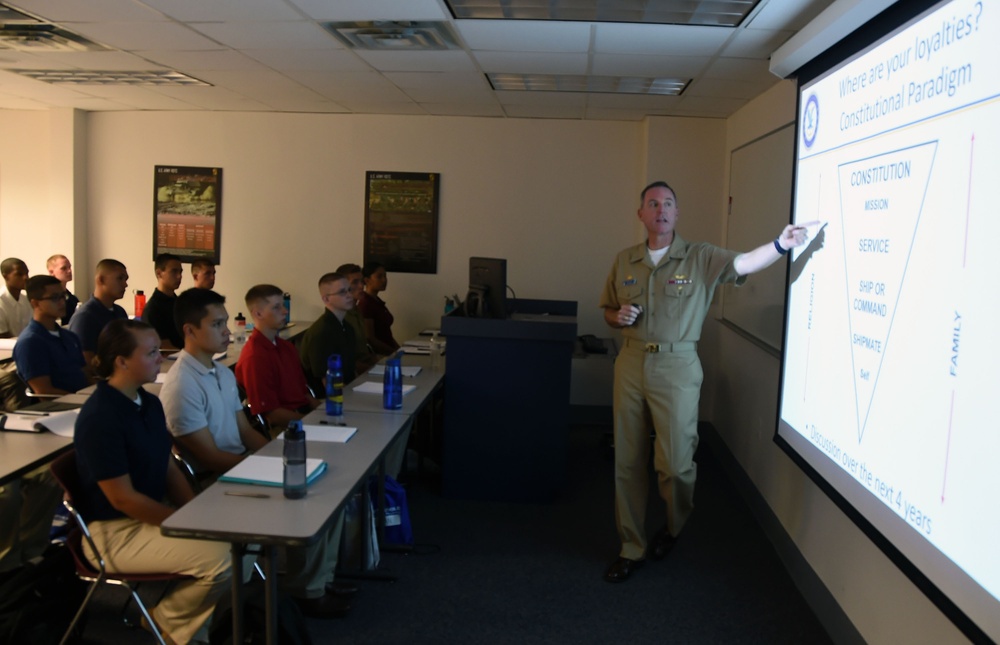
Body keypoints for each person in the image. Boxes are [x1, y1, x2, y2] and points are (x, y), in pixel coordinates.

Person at [600, 181, 812, 583]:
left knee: (676, 466)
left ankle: (675, 525)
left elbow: (746, 263)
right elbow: (608, 310)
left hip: (678, 367)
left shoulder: (700, 257)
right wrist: (618, 316)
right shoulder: (624, 260)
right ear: (641, 214)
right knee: (627, 462)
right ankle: (631, 546)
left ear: (677, 214)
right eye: (652, 204)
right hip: (630, 364)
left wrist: (781, 245)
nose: (660, 209)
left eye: (668, 204)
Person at [161, 288, 353, 619]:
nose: (227, 331)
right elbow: (207, 457)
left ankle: (315, 580)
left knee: (326, 487)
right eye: (217, 324)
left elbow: (246, 431)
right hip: (215, 481)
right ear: (190, 331)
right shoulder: (182, 385)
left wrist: (279, 458)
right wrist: (268, 469)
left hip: (238, 465)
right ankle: (308, 590)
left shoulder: (220, 371)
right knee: (311, 496)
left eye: (225, 322)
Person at [74, 319, 238, 644]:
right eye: (151, 354)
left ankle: (185, 628)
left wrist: (196, 513)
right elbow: (123, 499)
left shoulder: (148, 402)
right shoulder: (101, 417)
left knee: (247, 544)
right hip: (114, 532)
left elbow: (168, 469)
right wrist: (186, 523)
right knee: (225, 559)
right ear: (121, 361)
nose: (160, 360)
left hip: (150, 515)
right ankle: (168, 621)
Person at [235, 284, 321, 432]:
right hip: (284, 426)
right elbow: (272, 415)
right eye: (276, 307)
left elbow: (304, 393)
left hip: (303, 414)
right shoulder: (255, 357)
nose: (285, 311)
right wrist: (314, 424)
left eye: (283, 305)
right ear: (258, 314)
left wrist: (324, 413)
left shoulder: (286, 347)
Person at [13, 275, 90, 395]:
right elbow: (44, 392)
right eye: (55, 298)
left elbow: (85, 375)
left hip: (83, 400)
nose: (62, 302)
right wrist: (85, 399)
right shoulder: (30, 342)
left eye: (63, 296)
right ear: (36, 304)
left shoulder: (69, 336)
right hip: (60, 407)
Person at [299, 273, 358, 396]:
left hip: (347, 389)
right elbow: (327, 381)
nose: (349, 295)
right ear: (326, 299)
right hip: (327, 399)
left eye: (349, 290)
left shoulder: (347, 327)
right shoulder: (321, 333)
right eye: (342, 292)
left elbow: (350, 369)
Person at [68, 259, 130, 365]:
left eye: (126, 279)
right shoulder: (85, 317)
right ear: (101, 280)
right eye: (120, 278)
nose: (125, 284)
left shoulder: (120, 312)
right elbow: (86, 361)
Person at [335, 263, 379, 375]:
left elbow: (363, 350)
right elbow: (344, 361)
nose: (361, 286)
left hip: (365, 365)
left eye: (361, 281)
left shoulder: (356, 311)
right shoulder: (340, 316)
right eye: (355, 282)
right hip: (352, 374)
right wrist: (372, 369)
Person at [142, 253, 184, 350]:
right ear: (159, 273)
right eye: (174, 271)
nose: (179, 276)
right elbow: (165, 348)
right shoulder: (153, 309)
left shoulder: (180, 303)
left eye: (180, 272)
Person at [357, 261, 399, 354]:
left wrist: (399, 350)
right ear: (367, 280)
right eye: (379, 277)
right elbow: (370, 338)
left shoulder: (377, 301)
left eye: (385, 276)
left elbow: (386, 333)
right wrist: (393, 353)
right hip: (379, 356)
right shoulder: (366, 303)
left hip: (389, 351)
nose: (384, 280)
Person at [0, 258, 31, 338]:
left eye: (26, 273)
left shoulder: (26, 300)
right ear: (5, 276)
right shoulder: (1, 302)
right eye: (19, 274)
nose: (25, 278)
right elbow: (3, 336)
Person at [46, 254, 79, 324]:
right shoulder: (47, 298)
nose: (69, 271)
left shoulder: (73, 299)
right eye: (63, 268)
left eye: (69, 267)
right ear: (51, 272)